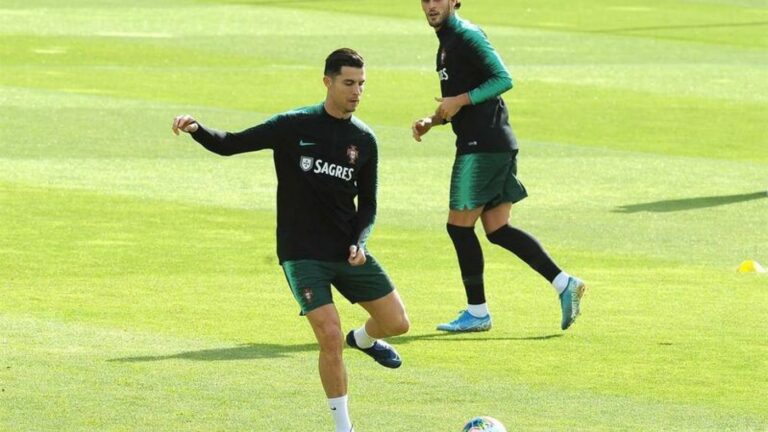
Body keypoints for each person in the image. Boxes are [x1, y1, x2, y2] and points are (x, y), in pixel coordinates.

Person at [172, 48, 409, 432]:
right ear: (327, 82)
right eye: (349, 83)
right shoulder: (293, 125)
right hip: (301, 253)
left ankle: (363, 340)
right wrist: (197, 128)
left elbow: (368, 204)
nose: (356, 92)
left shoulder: (364, 141)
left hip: (345, 250)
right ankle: (344, 427)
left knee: (397, 323)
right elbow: (230, 143)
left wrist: (360, 241)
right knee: (329, 336)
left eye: (362, 84)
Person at [411, 0, 586, 332]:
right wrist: (432, 120)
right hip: (493, 143)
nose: (431, 6)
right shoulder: (447, 41)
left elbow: (503, 79)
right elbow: (454, 99)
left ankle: (477, 313)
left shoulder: (466, 35)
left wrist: (460, 101)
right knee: (497, 229)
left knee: (458, 227)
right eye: (425, 0)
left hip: (483, 146)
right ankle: (565, 284)